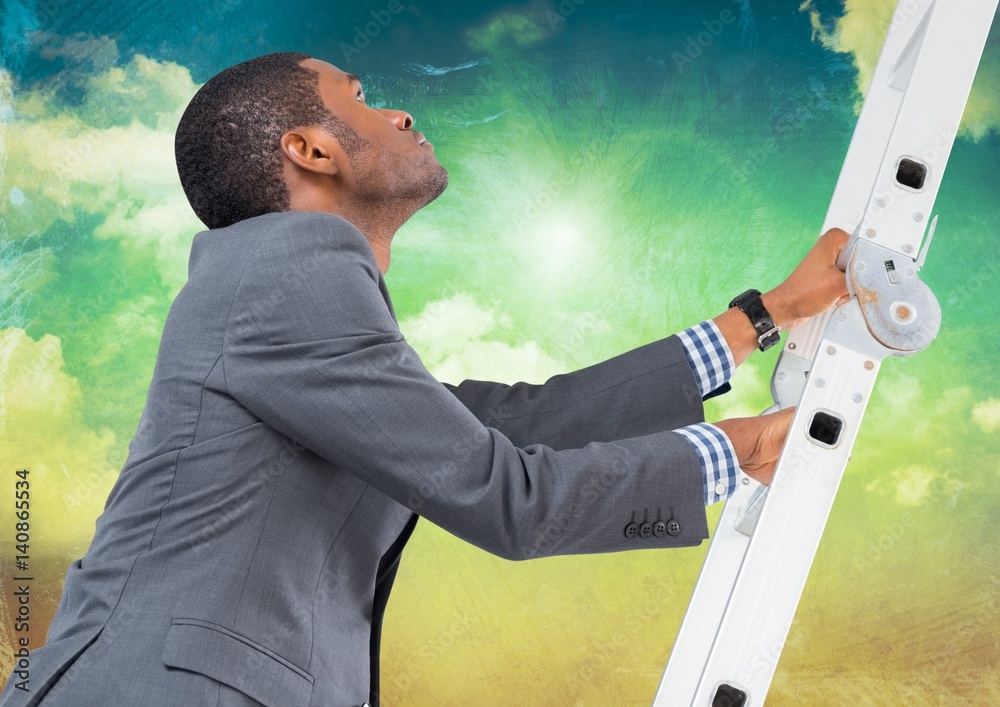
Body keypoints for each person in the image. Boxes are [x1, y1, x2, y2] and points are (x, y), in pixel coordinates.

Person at [0, 53, 849, 707]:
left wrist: (764, 316)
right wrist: (738, 448)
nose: (399, 111)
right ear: (309, 149)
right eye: (362, 96)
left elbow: (516, 422)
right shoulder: (288, 278)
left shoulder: (287, 302)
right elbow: (508, 494)